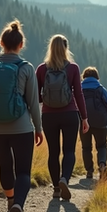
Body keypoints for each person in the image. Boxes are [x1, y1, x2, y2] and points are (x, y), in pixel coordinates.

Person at [0, 20, 43, 212]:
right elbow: (33, 102)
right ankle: (18, 205)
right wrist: (39, 128)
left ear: (1, 42)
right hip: (22, 127)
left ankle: (10, 199)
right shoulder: (26, 68)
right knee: (23, 170)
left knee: (5, 166)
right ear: (21, 44)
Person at [36, 34, 88, 200]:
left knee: (53, 152)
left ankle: (57, 188)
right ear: (66, 48)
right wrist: (84, 118)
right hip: (70, 114)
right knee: (69, 151)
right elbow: (78, 94)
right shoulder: (73, 68)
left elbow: (36, 96)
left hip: (49, 116)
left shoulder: (42, 69)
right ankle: (65, 178)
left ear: (50, 48)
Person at [79, 66, 107, 181]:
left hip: (83, 121)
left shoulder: (79, 89)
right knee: (102, 145)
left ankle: (89, 171)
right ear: (97, 77)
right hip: (100, 122)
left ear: (84, 77)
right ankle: (102, 164)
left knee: (86, 147)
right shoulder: (101, 89)